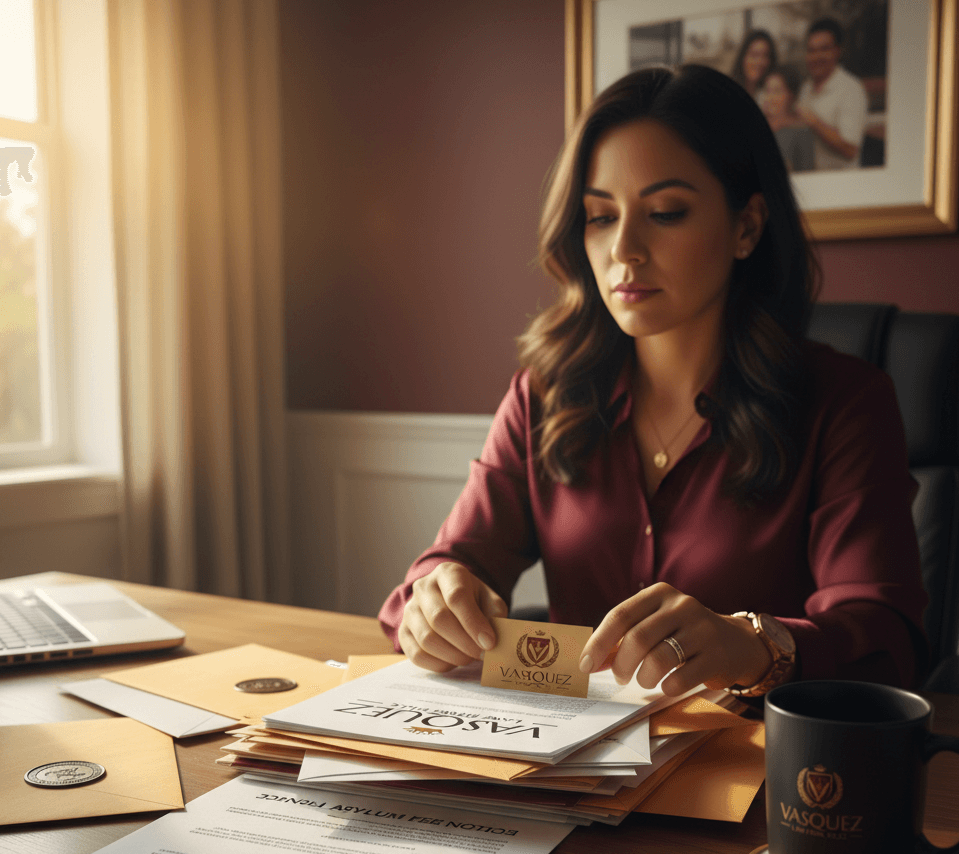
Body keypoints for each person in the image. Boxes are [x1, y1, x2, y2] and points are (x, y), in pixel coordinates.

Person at [379, 65, 927, 700]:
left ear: (746, 227)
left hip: (761, 777)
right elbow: (443, 570)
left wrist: (752, 645)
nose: (625, 250)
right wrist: (437, 600)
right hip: (566, 774)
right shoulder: (546, 393)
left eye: (665, 213)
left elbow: (887, 644)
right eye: (599, 217)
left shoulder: (843, 403)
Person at [796, 17, 868, 170]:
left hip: (841, 187)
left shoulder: (851, 89)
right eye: (811, 50)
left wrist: (814, 122)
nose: (816, 57)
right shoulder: (805, 88)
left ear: (837, 51)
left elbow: (850, 150)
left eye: (824, 49)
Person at [761, 65, 816, 173]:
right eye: (767, 91)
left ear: (791, 95)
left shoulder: (801, 132)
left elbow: (807, 174)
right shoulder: (757, 129)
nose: (770, 97)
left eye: (777, 91)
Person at [729, 29, 777, 100]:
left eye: (765, 55)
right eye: (754, 55)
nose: (759, 62)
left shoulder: (773, 97)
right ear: (743, 58)